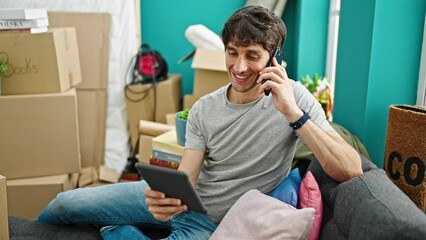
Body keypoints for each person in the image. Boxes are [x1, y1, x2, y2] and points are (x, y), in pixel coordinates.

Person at [37, 5, 363, 239]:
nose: (239, 66)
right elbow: (186, 178)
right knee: (65, 202)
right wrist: (169, 201)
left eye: (251, 55)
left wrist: (293, 114)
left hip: (209, 224)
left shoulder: (295, 99)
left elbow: (351, 168)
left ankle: (118, 232)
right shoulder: (204, 109)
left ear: (273, 57)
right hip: (183, 206)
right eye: (232, 52)